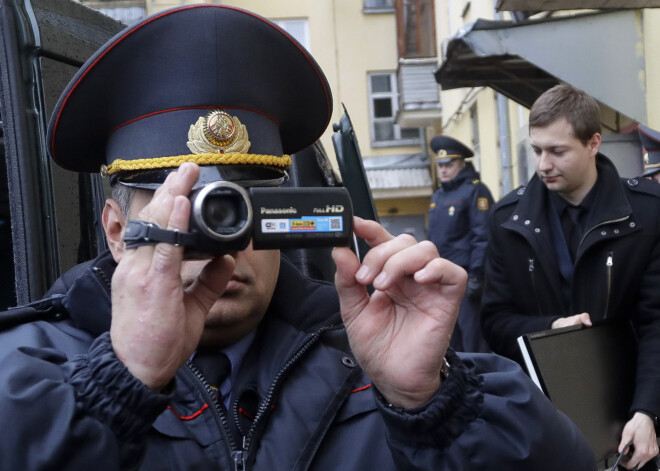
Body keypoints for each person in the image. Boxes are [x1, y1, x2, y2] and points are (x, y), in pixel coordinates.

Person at [0, 6, 598, 470]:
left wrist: (437, 407)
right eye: (191, 210)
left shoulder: (377, 361)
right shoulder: (28, 371)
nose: (225, 240)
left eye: (242, 207)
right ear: (115, 231)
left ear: (285, 215)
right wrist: (116, 388)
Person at [481, 83, 660, 470]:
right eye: (536, 150)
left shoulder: (647, 215)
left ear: (594, 143)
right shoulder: (506, 221)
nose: (543, 164)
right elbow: (494, 321)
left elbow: (656, 324)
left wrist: (647, 412)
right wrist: (553, 327)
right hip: (540, 421)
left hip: (625, 420)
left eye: (557, 151)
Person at [427, 135, 493, 353]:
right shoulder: (438, 195)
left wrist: (476, 276)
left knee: (473, 339)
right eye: (441, 165)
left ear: (462, 164)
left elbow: (482, 236)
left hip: (466, 279)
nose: (444, 170)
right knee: (449, 341)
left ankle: (483, 384)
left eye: (449, 164)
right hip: (441, 280)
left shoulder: (475, 190)